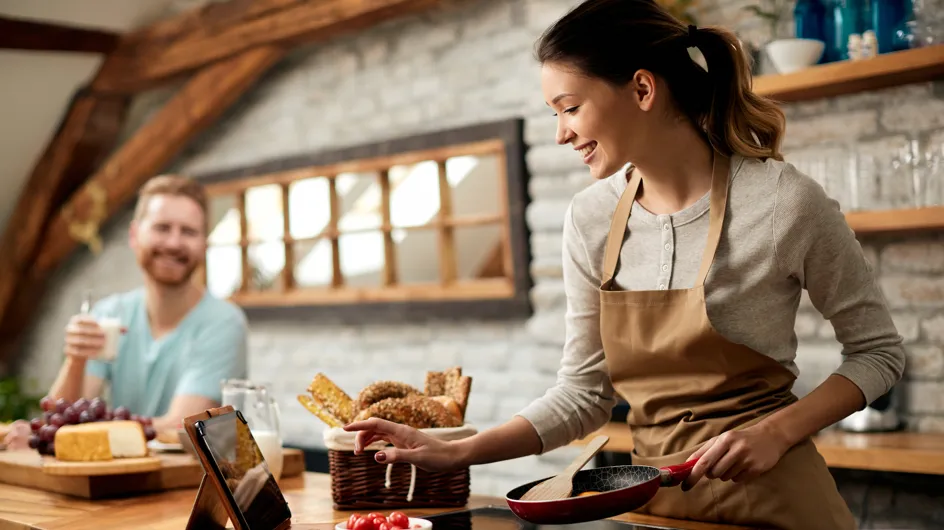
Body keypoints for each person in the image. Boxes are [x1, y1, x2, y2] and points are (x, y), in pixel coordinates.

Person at [344, 1, 905, 528]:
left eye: (569, 107)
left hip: (780, 506)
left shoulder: (783, 201)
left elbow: (879, 353)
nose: (561, 132)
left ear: (641, 89)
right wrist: (459, 450)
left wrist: (778, 431)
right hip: (654, 508)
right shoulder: (591, 218)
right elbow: (585, 395)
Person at [5, 175, 248, 449]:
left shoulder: (223, 323)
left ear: (204, 243)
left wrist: (82, 433)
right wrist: (76, 360)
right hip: (119, 483)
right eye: (162, 227)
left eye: (188, 232)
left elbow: (180, 427)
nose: (173, 243)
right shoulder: (110, 314)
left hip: (193, 484)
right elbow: (58, 422)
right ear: (135, 235)